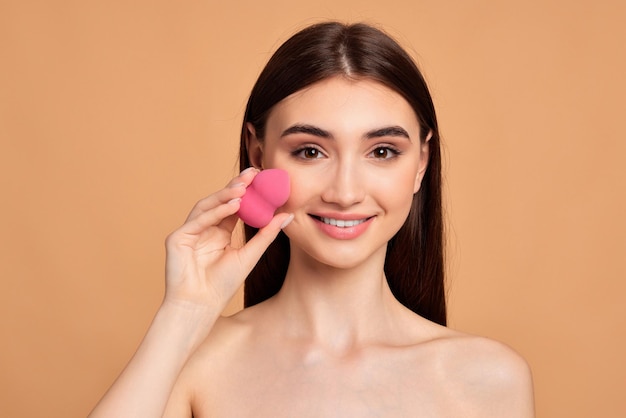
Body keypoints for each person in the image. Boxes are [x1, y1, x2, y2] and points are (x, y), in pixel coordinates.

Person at [89, 21, 535, 417]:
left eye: (382, 152)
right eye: (310, 151)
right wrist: (184, 313)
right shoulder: (194, 364)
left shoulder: (488, 380)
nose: (344, 193)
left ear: (421, 162)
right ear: (258, 154)